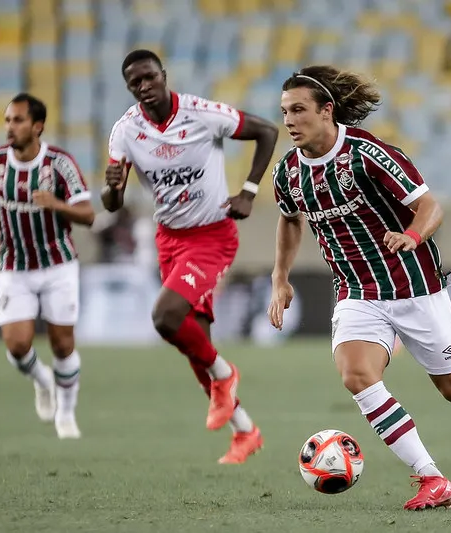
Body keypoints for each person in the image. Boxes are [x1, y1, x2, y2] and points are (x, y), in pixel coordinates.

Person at [268, 66, 451, 509]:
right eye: (284, 112)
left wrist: (411, 236)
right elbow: (288, 218)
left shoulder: (369, 154)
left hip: (414, 287)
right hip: (357, 292)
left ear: (326, 111)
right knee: (357, 375)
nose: (289, 120)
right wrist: (279, 278)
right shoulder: (288, 172)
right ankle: (431, 478)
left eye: (298, 110)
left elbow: (430, 206)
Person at [102, 49, 279, 464]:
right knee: (195, 344)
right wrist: (112, 188)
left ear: (163, 75)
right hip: (170, 240)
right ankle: (246, 432)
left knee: (165, 317)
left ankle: (225, 375)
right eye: (134, 84)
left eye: (149, 78)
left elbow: (267, 131)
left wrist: (249, 192)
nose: (144, 87)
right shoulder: (125, 132)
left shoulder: (201, 113)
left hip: (212, 236)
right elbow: (112, 204)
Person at [0, 93, 95, 439]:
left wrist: (56, 204)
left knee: (62, 345)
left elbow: (88, 215)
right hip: (14, 265)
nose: (10, 128)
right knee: (16, 346)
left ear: (37, 126)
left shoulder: (60, 164)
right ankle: (43, 381)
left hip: (58, 265)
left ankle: (66, 417)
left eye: (18, 120)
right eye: (8, 120)